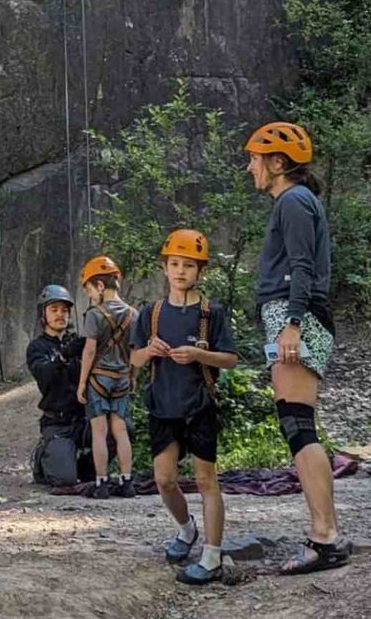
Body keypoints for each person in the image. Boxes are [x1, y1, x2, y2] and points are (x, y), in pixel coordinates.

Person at [245, 121, 349, 574]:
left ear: (278, 163)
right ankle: (325, 533)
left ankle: (325, 538)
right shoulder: (296, 201)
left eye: (255, 158)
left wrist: (290, 323)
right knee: (296, 423)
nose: (250, 167)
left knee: (298, 425)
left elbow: (303, 266)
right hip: (291, 313)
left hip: (294, 314)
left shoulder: (292, 200)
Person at [130, 229, 239, 585]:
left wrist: (198, 354)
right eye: (174, 264)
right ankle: (186, 528)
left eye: (188, 265)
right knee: (164, 479)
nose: (180, 271)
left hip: (200, 406)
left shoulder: (211, 313)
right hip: (163, 405)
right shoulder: (151, 313)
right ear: (165, 268)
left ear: (200, 272)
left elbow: (230, 359)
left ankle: (212, 555)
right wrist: (151, 351)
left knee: (206, 480)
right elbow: (134, 358)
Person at [75, 256, 137, 499]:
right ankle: (127, 481)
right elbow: (134, 351)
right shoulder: (134, 314)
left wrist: (82, 383)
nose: (90, 296)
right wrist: (132, 376)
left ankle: (101, 483)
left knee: (99, 431)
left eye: (90, 290)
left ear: (100, 286)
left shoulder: (94, 314)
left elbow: (89, 350)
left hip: (98, 379)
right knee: (120, 430)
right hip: (122, 378)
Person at [26, 284, 88, 486]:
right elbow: (44, 375)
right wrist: (62, 357)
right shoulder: (37, 347)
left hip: (84, 419)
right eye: (54, 310)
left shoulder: (77, 342)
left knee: (120, 431)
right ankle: (44, 457)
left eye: (64, 310)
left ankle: (81, 466)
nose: (60, 314)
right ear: (43, 314)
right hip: (57, 423)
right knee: (64, 480)